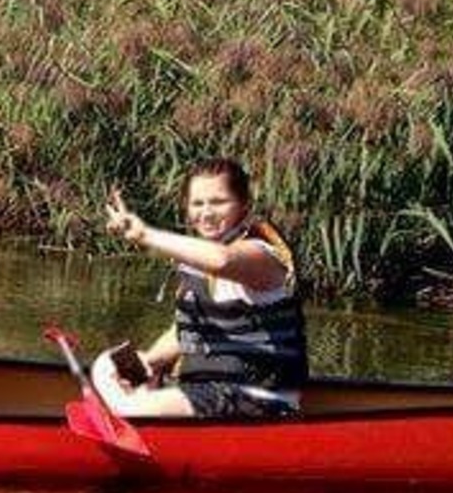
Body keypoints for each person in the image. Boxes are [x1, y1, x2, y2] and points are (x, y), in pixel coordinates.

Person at [93, 157, 307, 418]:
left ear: (244, 205)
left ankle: (134, 415)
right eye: (197, 203)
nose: (206, 213)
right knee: (105, 365)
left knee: (136, 409)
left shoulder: (262, 253)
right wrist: (149, 361)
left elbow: (221, 260)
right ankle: (139, 408)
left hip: (258, 396)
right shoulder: (198, 259)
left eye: (218, 202)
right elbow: (187, 333)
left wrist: (145, 235)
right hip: (207, 391)